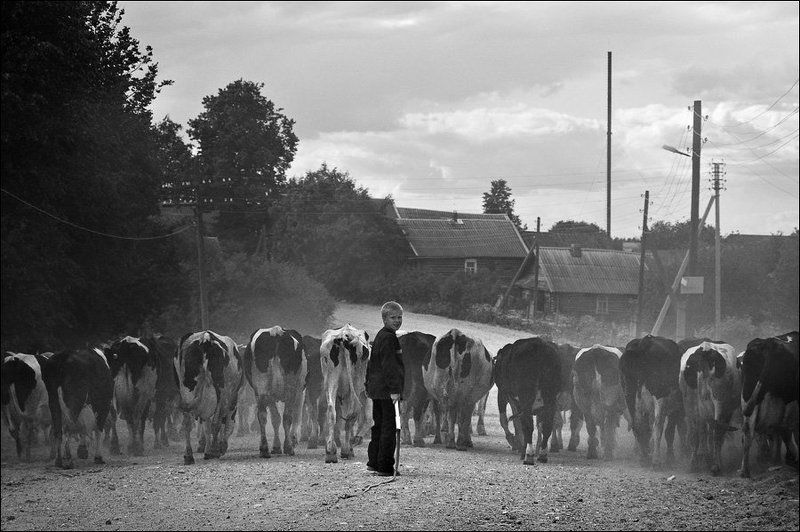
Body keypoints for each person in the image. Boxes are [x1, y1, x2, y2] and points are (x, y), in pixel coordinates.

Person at [365, 301, 405, 476]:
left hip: (377, 390)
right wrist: (395, 390)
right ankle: (385, 466)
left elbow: (372, 364)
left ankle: (373, 462)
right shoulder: (389, 338)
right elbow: (390, 366)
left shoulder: (381, 335)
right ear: (384, 319)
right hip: (387, 391)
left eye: (399, 317)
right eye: (393, 317)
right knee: (389, 427)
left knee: (379, 426)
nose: (397, 321)